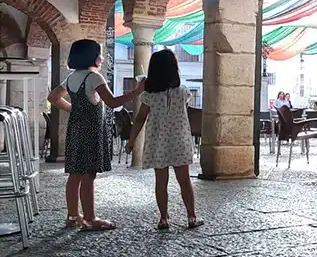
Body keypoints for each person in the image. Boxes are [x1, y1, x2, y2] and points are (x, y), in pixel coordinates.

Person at [47, 39, 144, 230]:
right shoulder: (94, 77)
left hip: (75, 129)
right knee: (89, 175)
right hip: (91, 132)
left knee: (74, 174)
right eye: (99, 53)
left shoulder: (72, 77)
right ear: (91, 56)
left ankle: (73, 215)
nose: (102, 57)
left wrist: (74, 108)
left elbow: (53, 97)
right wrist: (136, 92)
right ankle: (91, 219)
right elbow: (113, 102)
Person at [127, 49, 203, 230]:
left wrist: (131, 141)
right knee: (184, 180)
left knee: (161, 182)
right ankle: (191, 217)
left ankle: (163, 219)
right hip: (179, 141)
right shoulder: (183, 92)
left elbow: (139, 119)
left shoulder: (149, 96)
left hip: (157, 142)